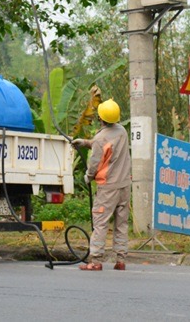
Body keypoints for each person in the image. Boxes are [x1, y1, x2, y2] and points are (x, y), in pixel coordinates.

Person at [72, 99, 131, 271]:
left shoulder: (100, 138)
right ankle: (120, 260)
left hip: (108, 187)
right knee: (121, 223)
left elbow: (95, 161)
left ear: (101, 118)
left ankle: (96, 260)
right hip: (124, 185)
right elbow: (106, 144)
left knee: (101, 223)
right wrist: (84, 142)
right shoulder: (122, 131)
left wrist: (88, 177)